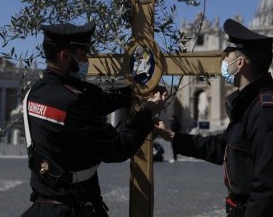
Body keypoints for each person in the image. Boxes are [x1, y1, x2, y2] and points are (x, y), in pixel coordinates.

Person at [156, 19, 273, 217]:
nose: (223, 61)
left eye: (227, 56)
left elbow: (268, 189)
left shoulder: (267, 112)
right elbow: (222, 147)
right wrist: (173, 137)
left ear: (240, 63)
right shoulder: (250, 106)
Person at [21, 21, 167, 217]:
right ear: (65, 56)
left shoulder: (35, 93)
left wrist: (137, 88)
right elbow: (118, 148)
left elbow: (98, 100)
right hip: (74, 209)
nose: (87, 61)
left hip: (42, 206)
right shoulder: (73, 103)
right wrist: (148, 112)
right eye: (82, 55)